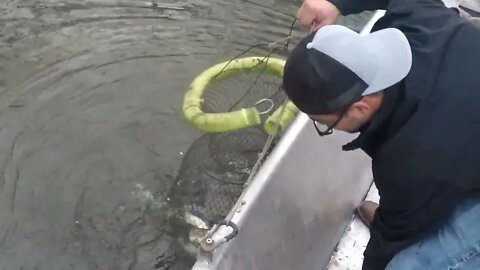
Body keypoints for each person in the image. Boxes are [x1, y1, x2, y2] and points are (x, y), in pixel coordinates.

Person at [282, 0, 480, 269]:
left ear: (360, 106)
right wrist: (334, 3)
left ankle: (412, 215)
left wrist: (396, 224)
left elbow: (385, 246)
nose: (328, 128)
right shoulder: (420, 19)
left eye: (325, 123)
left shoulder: (412, 159)